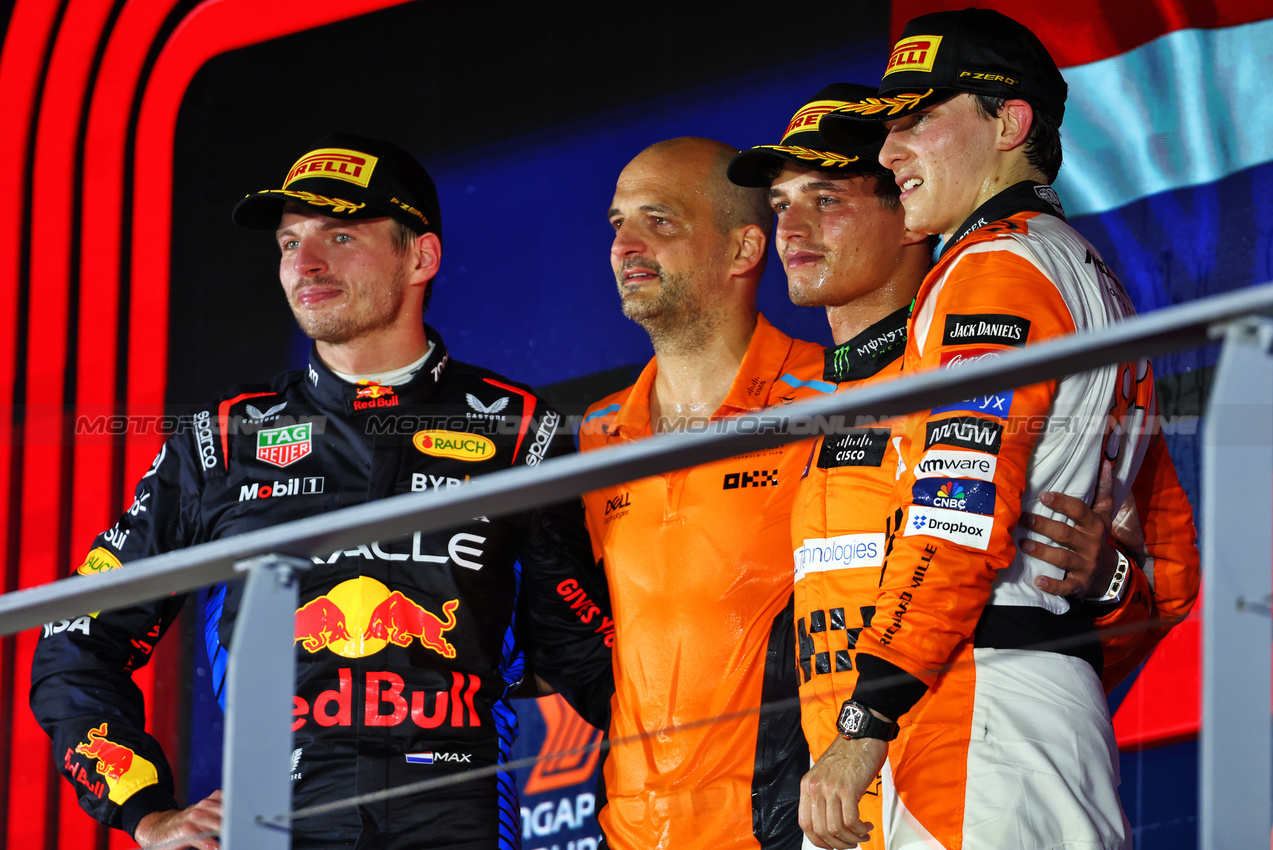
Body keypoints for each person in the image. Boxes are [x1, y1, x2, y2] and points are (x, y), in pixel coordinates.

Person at [30, 133, 614, 850]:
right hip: (273, 813)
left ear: (420, 256)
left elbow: (594, 654)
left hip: (453, 795)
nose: (304, 264)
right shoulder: (222, 439)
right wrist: (143, 809)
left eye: (339, 235)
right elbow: (76, 638)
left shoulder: (521, 432)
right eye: (288, 242)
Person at [731, 82, 1199, 850]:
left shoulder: (988, 313)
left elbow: (1155, 570)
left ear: (906, 211)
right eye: (780, 204)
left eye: (827, 197)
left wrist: (1105, 590)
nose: (792, 227)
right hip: (853, 797)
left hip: (953, 752)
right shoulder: (811, 416)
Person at [579, 137, 822, 849]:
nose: (625, 244)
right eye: (617, 222)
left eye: (659, 221)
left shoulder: (833, 402)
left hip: (788, 831)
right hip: (627, 833)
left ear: (745, 249)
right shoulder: (595, 436)